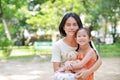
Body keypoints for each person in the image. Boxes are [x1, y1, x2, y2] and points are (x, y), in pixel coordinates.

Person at [51, 12, 102, 80]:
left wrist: (88, 71)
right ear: (63, 27)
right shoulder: (57, 45)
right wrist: (69, 68)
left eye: (75, 24)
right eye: (68, 25)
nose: (72, 28)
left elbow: (99, 61)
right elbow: (56, 69)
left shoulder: (85, 41)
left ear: (79, 26)